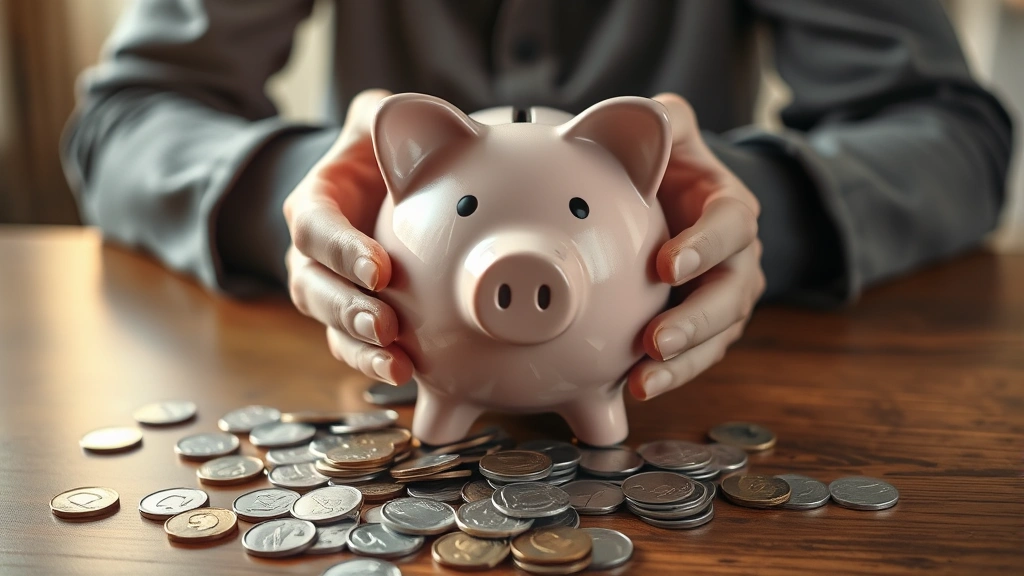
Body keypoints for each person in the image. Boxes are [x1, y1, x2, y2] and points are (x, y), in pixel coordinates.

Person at [62, 1, 1012, 402]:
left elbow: (952, 136)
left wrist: (737, 212)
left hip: (678, 365)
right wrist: (338, 204)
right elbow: (127, 121)